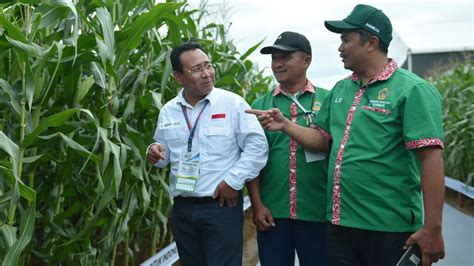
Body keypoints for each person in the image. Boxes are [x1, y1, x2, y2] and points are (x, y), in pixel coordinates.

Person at [247, 4, 445, 266]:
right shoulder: (342, 89)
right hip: (339, 225)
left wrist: (432, 228)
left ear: (371, 43)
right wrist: (286, 125)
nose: (340, 47)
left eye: (346, 40)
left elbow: (430, 157)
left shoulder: (412, 89)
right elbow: (322, 141)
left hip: (388, 227)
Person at [146, 41, 268, 266]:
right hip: (183, 209)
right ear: (178, 77)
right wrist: (153, 152)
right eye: (196, 69)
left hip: (220, 208)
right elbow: (163, 157)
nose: (206, 74)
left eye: (208, 65)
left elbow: (257, 147)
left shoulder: (233, 104)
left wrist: (233, 181)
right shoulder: (169, 110)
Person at [245, 31, 330, 266]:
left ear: (307, 60)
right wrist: (257, 204)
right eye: (274, 58)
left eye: (285, 57)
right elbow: (252, 160)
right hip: (273, 213)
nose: (278, 64)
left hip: (318, 211)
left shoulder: (330, 100)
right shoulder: (260, 105)